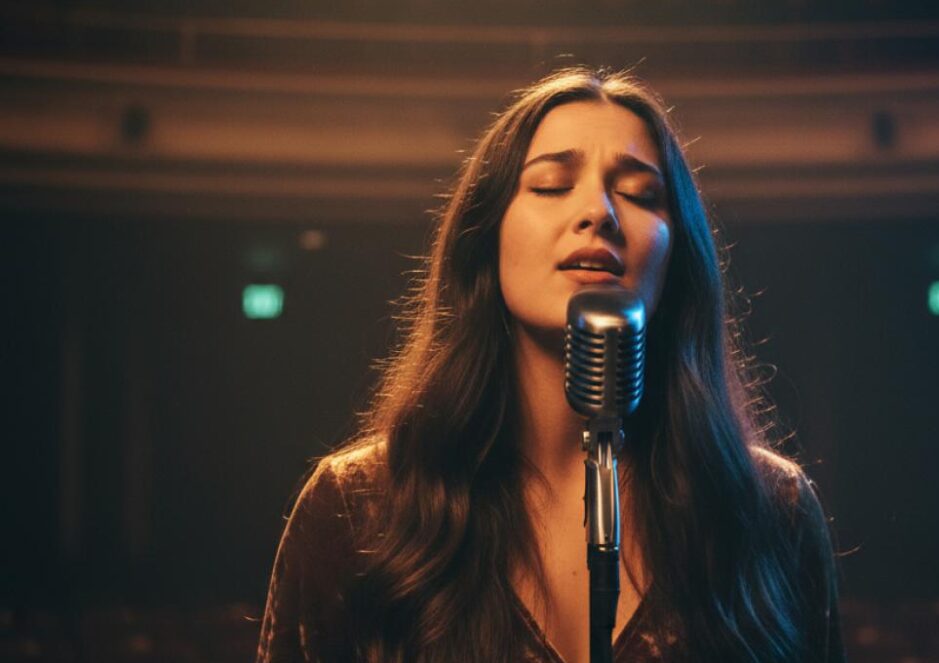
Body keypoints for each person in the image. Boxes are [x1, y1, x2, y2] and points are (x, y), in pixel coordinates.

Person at [256, 66, 846, 663]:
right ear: (487, 238)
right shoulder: (357, 506)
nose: (598, 212)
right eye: (550, 185)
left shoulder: (772, 511)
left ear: (678, 257)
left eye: (640, 194)